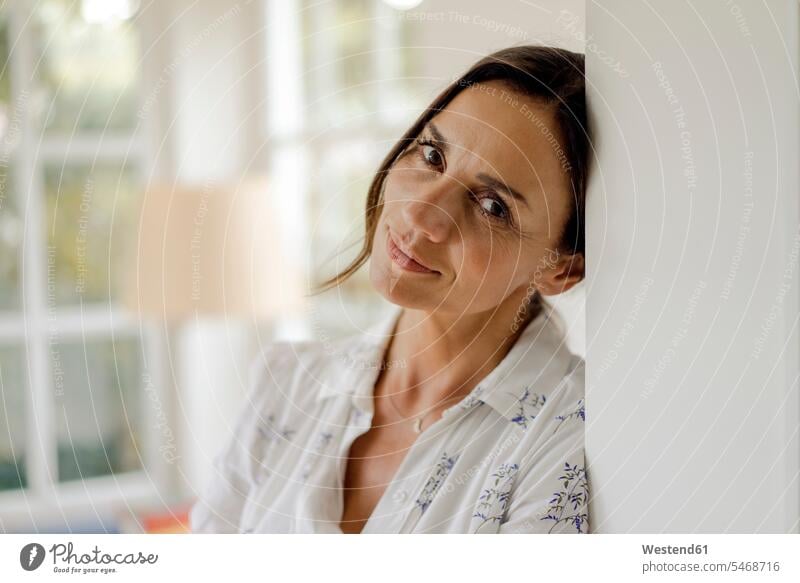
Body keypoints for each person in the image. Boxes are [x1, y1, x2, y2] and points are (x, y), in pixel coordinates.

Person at [190, 45, 590, 534]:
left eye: (492, 207)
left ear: (561, 270)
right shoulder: (287, 383)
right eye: (432, 155)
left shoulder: (570, 439)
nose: (420, 215)